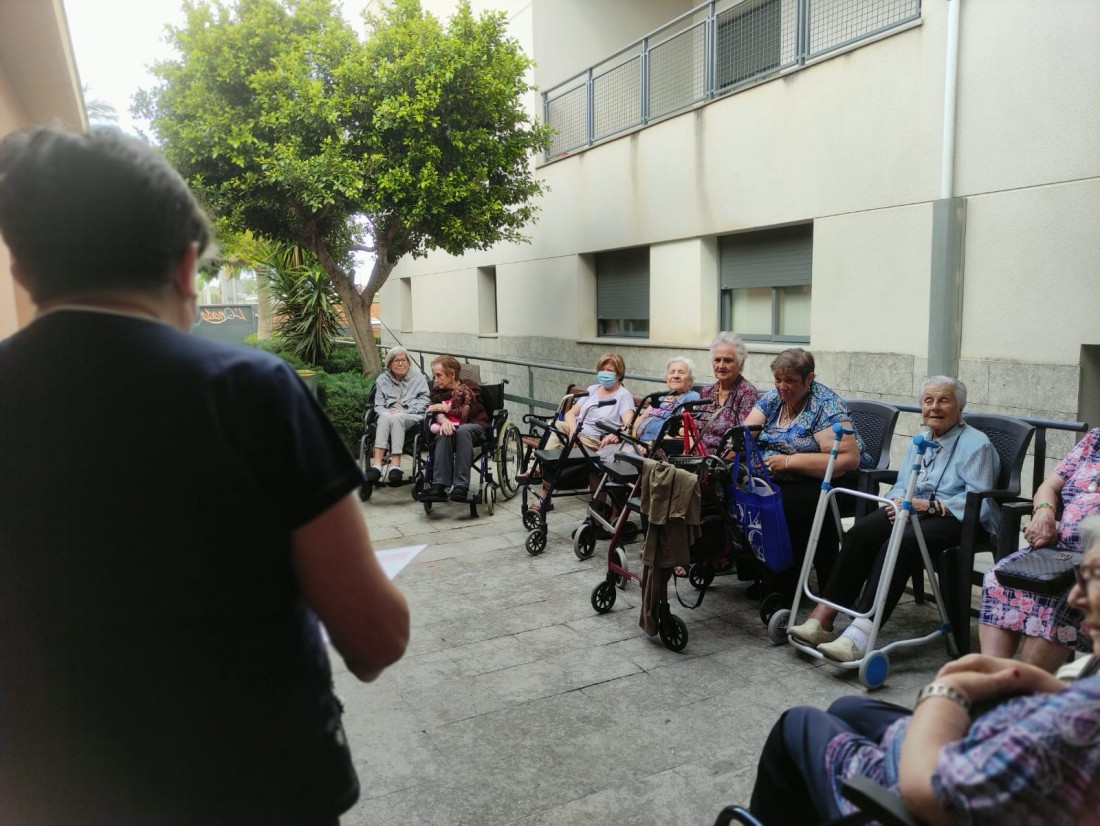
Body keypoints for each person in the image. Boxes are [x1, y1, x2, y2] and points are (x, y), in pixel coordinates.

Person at [0, 127, 410, 824]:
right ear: (187, 266)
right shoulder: (250, 390)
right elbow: (375, 638)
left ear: (23, 271)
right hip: (258, 787)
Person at [748, 515, 1100, 825]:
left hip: (923, 794)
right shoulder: (1083, 698)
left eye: (1094, 576)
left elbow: (932, 791)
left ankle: (859, 632)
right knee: (848, 707)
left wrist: (948, 690)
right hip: (990, 751)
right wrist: (1044, 684)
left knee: (797, 723)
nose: (1074, 596)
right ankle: (823, 618)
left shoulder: (1075, 723)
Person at [787, 377, 998, 662]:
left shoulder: (977, 444)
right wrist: (898, 502)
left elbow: (979, 499)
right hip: (913, 510)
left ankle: (860, 633)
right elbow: (902, 483)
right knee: (860, 533)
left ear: (959, 407)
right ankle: (822, 618)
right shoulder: (919, 440)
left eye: (944, 400)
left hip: (955, 518)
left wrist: (930, 506)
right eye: (928, 401)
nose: (934, 407)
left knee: (900, 544)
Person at [743, 348, 872, 592]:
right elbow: (746, 432)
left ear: (809, 378)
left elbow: (847, 459)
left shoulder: (826, 406)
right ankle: (766, 575)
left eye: (790, 380)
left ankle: (786, 584)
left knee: (781, 503)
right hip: (782, 476)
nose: (782, 386)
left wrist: (788, 462)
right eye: (778, 380)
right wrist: (736, 448)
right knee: (744, 494)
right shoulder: (775, 398)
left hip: (834, 480)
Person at [978, 426, 1100, 670]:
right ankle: (994, 676)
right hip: (1059, 549)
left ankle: (1025, 681)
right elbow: (1048, 487)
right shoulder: (1095, 439)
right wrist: (1044, 511)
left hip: (1093, 562)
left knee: (1064, 597)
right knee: (998, 578)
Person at [528, 352, 634, 515]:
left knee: (558, 454)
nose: (605, 373)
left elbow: (629, 423)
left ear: (619, 374)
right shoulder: (592, 390)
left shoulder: (623, 395)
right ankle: (541, 471)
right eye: (602, 369)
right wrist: (573, 432)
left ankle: (542, 485)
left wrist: (618, 433)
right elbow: (570, 413)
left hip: (594, 441)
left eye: (609, 370)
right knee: (556, 426)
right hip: (576, 434)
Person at [422, 354, 489, 503]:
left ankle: (461, 485)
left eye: (439, 375)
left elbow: (470, 411)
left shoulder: (469, 387)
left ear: (452, 374)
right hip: (453, 428)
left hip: (474, 425)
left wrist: (447, 409)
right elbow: (436, 412)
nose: (435, 380)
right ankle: (439, 484)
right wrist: (444, 420)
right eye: (434, 375)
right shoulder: (436, 393)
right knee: (443, 432)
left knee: (463, 431)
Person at [367, 346, 429, 485]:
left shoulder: (419, 378)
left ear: (408, 362)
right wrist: (387, 412)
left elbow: (424, 402)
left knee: (397, 417)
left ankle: (395, 464)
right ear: (389, 364)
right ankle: (377, 465)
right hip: (388, 416)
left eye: (403, 360)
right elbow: (378, 405)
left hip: (412, 416)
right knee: (385, 416)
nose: (401, 364)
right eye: (396, 361)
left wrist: (404, 412)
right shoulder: (382, 379)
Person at [696, 332, 761, 455]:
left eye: (728, 360)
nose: (721, 365)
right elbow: (694, 430)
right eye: (717, 360)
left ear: (740, 364)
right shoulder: (706, 392)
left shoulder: (747, 394)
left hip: (725, 462)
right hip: (698, 457)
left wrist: (714, 461)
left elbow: (742, 442)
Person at [630, 355, 701, 448]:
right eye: (672, 372)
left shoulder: (691, 397)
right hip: (638, 443)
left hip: (658, 449)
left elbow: (685, 432)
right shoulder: (662, 397)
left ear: (690, 378)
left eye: (681, 372)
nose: (675, 376)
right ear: (667, 378)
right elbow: (640, 419)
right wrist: (625, 434)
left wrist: (652, 445)